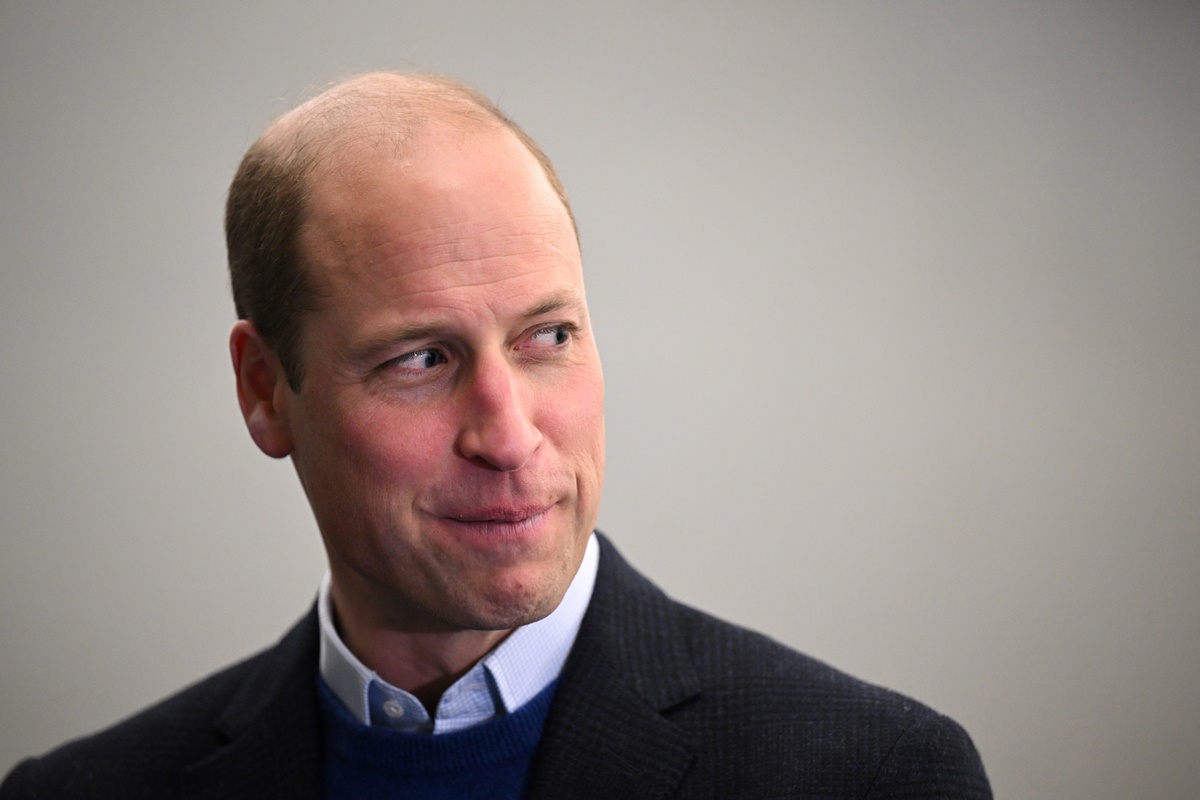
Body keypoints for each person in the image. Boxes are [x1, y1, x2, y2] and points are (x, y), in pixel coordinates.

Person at [0, 72, 992, 799]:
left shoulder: (871, 774)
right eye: (422, 359)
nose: (510, 434)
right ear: (266, 391)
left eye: (548, 336)